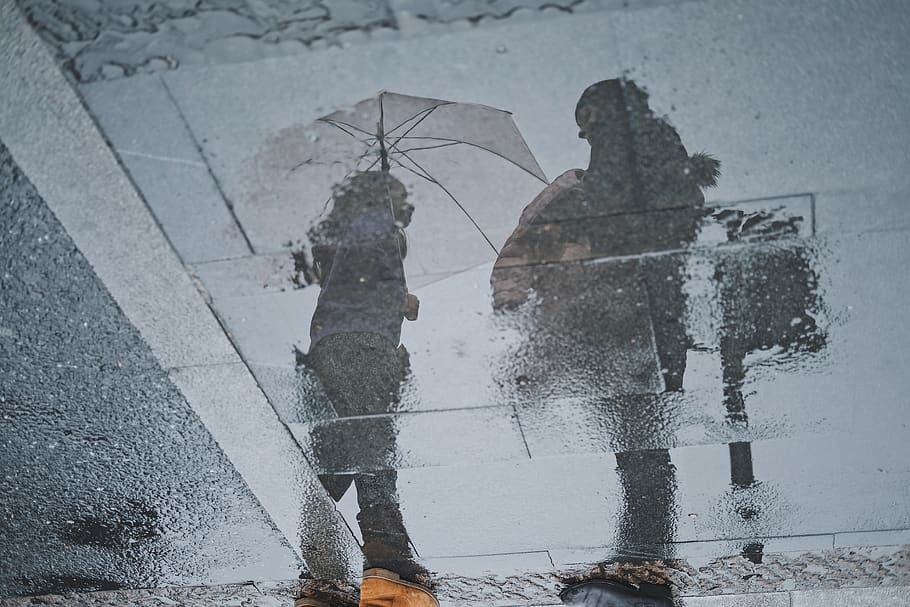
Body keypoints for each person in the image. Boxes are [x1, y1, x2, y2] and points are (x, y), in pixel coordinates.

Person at [492, 78, 720, 607]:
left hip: (644, 325)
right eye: (585, 124)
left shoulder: (655, 171)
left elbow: (680, 237)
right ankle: (641, 564)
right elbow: (519, 256)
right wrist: (516, 303)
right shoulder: (576, 190)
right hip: (603, 328)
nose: (590, 133)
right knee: (637, 448)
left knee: (642, 448)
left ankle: (642, 567)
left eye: (594, 120)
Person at [295, 171, 437, 607]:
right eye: (398, 192)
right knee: (374, 441)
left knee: (337, 450)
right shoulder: (376, 225)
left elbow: (344, 283)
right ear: (378, 196)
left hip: (330, 344)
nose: (406, 200)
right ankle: (387, 560)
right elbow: (366, 280)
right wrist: (401, 299)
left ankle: (318, 570)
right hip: (363, 344)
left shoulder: (343, 230)